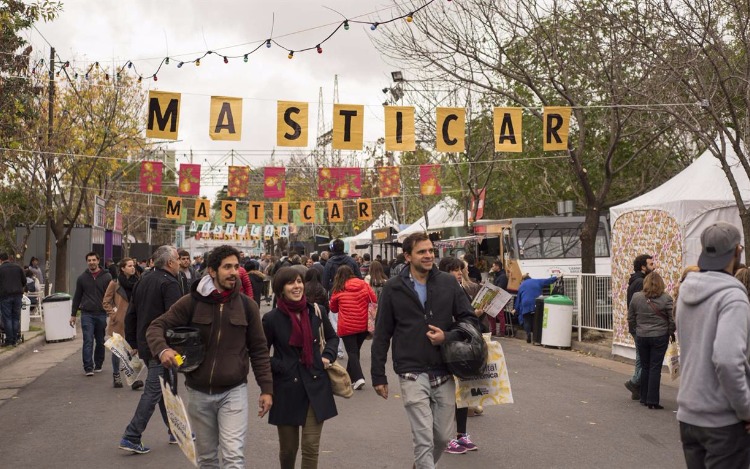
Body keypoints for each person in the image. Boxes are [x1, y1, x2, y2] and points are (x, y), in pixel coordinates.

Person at [147, 245, 273, 467]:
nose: (234, 272)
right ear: (212, 271)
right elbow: (156, 326)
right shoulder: (191, 302)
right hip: (199, 393)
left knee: (234, 456)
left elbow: (260, 350)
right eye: (227, 267)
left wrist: (266, 389)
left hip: (234, 392)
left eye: (236, 266)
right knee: (207, 459)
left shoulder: (247, 306)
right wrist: (163, 349)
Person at [371, 232, 479, 468]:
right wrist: (378, 375)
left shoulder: (448, 283)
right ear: (408, 256)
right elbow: (381, 333)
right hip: (410, 370)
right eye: (422, 252)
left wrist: (447, 336)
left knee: (441, 437)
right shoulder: (393, 288)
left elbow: (469, 320)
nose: (429, 255)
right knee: (423, 438)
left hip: (444, 367)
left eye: (431, 250)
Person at [676, 222, 750, 467]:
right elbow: (727, 360)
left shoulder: (686, 291)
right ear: (737, 251)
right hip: (723, 422)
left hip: (689, 417)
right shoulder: (733, 296)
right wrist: (746, 409)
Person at [262, 267, 339, 469]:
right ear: (280, 289)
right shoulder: (271, 319)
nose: (297, 286)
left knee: (311, 446)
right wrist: (282, 366)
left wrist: (326, 356)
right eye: (291, 283)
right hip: (286, 388)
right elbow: (260, 353)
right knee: (288, 450)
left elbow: (332, 338)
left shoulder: (316, 311)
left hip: (315, 385)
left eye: (299, 281)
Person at [118, 246, 183, 454]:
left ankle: (175, 431)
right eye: (178, 260)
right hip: (163, 347)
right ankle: (132, 435)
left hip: (145, 343)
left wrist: (133, 342)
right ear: (170, 263)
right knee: (155, 391)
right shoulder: (170, 283)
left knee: (167, 388)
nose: (180, 263)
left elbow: (131, 314)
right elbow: (176, 318)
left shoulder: (142, 280)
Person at [438, 256, 482, 455]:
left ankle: (461, 434)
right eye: (455, 270)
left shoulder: (462, 289)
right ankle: (445, 438)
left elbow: (467, 316)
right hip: (446, 347)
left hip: (462, 347)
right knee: (446, 395)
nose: (459, 273)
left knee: (463, 392)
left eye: (460, 270)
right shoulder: (438, 292)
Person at [627, 272, 674, 409]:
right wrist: (670, 332)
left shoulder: (636, 297)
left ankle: (643, 397)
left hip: (642, 336)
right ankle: (652, 400)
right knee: (655, 367)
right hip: (660, 336)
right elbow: (672, 319)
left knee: (645, 367)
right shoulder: (666, 298)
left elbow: (631, 317)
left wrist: (636, 331)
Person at [329, 265, 377, 391]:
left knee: (352, 352)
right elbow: (374, 299)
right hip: (362, 325)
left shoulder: (338, 288)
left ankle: (359, 377)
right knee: (355, 351)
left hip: (347, 325)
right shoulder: (363, 284)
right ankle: (350, 377)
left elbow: (333, 308)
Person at [102, 257, 143, 390]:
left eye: (133, 265)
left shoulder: (139, 282)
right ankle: (116, 375)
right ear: (123, 268)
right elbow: (106, 301)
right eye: (130, 266)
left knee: (132, 350)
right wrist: (113, 314)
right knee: (118, 351)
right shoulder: (115, 283)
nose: (133, 268)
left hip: (133, 321)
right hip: (118, 322)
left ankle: (133, 379)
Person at [69, 252, 112, 374]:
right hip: (87, 314)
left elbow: (111, 295)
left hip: (101, 313)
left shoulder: (107, 277)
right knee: (88, 340)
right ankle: (88, 367)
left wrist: (113, 310)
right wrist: (73, 314)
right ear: (87, 262)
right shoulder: (82, 278)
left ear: (98, 261)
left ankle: (98, 364)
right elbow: (77, 297)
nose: (91, 262)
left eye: (94, 260)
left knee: (100, 340)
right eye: (89, 260)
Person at [624, 254, 654, 401]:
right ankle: (635, 382)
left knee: (640, 357)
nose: (654, 267)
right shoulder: (640, 282)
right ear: (643, 267)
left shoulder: (634, 280)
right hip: (640, 325)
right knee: (644, 358)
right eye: (651, 264)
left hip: (636, 324)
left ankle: (637, 387)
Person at [512, 274, 558, 344]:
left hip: (526, 303)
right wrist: (556, 277)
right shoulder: (537, 281)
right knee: (536, 320)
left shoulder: (522, 285)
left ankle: (528, 334)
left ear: (524, 280)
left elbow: (519, 299)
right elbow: (548, 281)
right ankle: (536, 338)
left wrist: (515, 309)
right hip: (536, 302)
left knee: (526, 319)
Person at [0, 253, 26, 347]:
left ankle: (9, 340)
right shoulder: (18, 268)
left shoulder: (1, 269)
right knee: (16, 317)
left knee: (7, 318)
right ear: (8, 259)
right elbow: (24, 281)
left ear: (0, 260)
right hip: (18, 295)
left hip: (5, 296)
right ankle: (15, 339)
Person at [489, 260, 508, 336]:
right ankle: (493, 330)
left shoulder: (502, 276)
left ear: (498, 267)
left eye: (493, 266)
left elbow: (500, 287)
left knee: (500, 315)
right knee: (490, 314)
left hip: (500, 297)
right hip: (495, 296)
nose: (492, 267)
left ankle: (502, 331)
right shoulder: (496, 275)